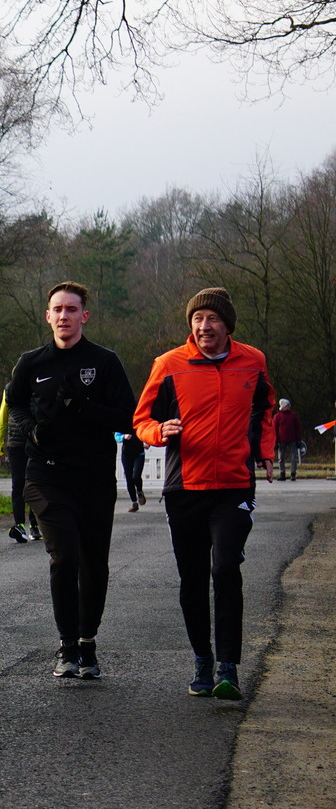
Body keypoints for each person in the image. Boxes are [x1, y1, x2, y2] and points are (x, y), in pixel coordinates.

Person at [133, 288, 276, 700]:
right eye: (197, 319)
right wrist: (159, 431)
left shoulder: (253, 361)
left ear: (227, 325)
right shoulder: (169, 365)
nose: (204, 326)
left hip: (233, 484)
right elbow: (141, 420)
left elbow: (265, 408)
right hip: (185, 488)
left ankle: (228, 667)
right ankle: (202, 660)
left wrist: (265, 451)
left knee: (226, 567)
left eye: (212, 319)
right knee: (193, 577)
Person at [3, 282, 136, 681]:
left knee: (94, 563)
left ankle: (87, 642)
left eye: (71, 309)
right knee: (65, 556)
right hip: (46, 476)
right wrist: (31, 429)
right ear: (48, 317)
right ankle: (66, 644)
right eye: (57, 310)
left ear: (84, 316)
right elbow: (15, 401)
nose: (64, 316)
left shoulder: (104, 362)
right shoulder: (32, 362)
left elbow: (128, 416)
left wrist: (85, 407)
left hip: (94, 478)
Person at [0, 396, 39, 543]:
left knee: (34, 483)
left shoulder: (37, 386)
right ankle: (19, 525)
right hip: (16, 444)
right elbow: (2, 418)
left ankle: (34, 524)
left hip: (36, 443)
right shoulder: (10, 389)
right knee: (18, 484)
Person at [273, 398, 304, 481]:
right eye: (287, 405)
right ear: (283, 406)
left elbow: (298, 428)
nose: (289, 407)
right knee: (281, 458)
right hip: (281, 440)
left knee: (293, 457)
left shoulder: (293, 416)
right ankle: (282, 473)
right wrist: (275, 441)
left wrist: (298, 440)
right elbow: (274, 430)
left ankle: (293, 473)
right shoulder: (277, 417)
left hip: (292, 440)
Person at [120, 432, 146, 511]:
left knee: (136, 476)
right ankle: (134, 503)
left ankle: (139, 492)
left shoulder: (139, 425)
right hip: (126, 454)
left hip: (139, 453)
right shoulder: (123, 425)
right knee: (129, 478)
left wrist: (148, 443)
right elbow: (117, 436)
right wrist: (123, 436)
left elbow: (146, 432)